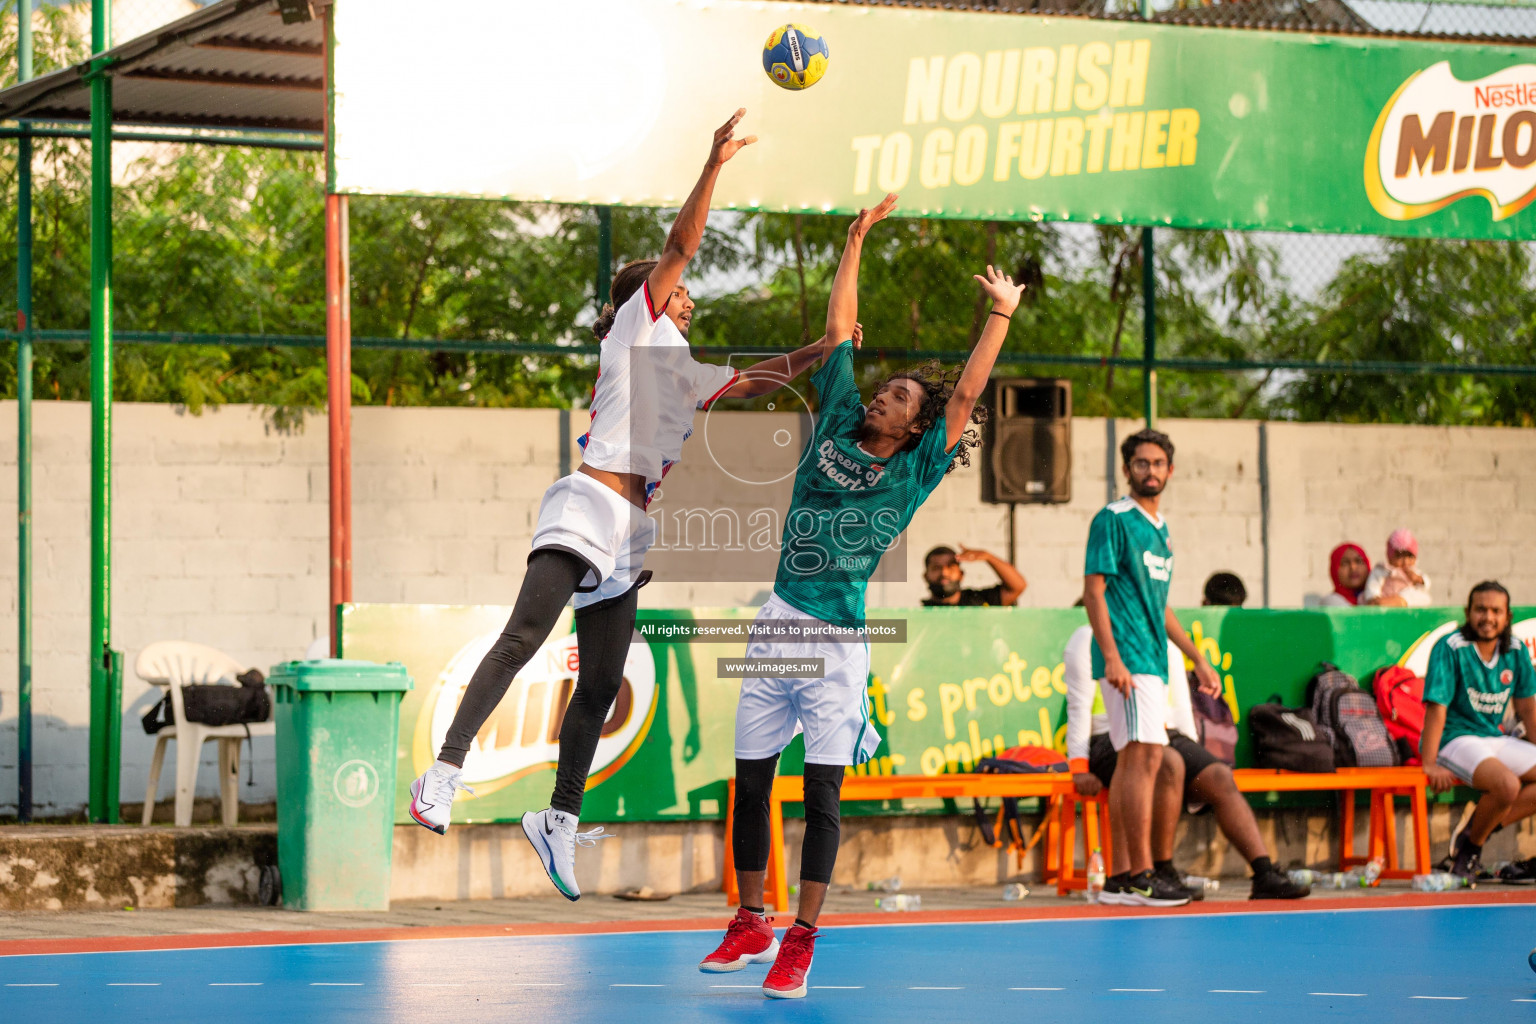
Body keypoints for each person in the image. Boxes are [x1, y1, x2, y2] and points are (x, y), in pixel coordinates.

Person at [405, 111, 836, 902]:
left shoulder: (681, 366)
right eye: (682, 292)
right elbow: (681, 247)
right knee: (522, 638)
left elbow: (753, 380)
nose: (692, 299)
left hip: (632, 532)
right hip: (587, 502)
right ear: (649, 297)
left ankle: (559, 818)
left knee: (600, 682)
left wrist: (819, 352)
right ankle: (443, 771)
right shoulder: (634, 333)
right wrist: (713, 167)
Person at [702, 192, 1025, 999]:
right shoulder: (841, 416)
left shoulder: (916, 467)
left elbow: (962, 397)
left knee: (820, 793)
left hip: (837, 642)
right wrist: (854, 240)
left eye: (900, 399)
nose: (884, 395)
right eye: (886, 390)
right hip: (776, 621)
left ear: (916, 428)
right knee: (748, 780)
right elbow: (842, 323)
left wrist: (1001, 318)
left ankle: (804, 937)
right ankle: (751, 916)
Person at [1064, 602, 1308, 902]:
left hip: (1165, 734)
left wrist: (1197, 767)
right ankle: (1154, 872)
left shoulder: (1165, 644)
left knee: (1217, 775)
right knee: (1169, 762)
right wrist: (1078, 766)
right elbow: (1078, 709)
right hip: (1107, 737)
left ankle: (1264, 873)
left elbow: (1180, 711)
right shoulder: (1087, 638)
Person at [1080, 428, 1223, 906]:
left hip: (1154, 661)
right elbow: (1094, 591)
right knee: (1143, 761)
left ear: (1170, 470)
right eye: (1141, 463)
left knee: (1137, 761)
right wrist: (1113, 657)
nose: (1151, 471)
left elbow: (1160, 608)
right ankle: (1140, 874)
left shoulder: (1161, 531)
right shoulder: (1113, 519)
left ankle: (1123, 877)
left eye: (1159, 463)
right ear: (1127, 469)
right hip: (1129, 660)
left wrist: (1197, 657)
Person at [1420, 581, 1536, 880]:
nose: (1488, 617)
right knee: (1507, 785)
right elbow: (1437, 710)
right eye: (1480, 609)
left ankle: (1476, 829)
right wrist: (1429, 763)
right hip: (1455, 738)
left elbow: (1527, 710)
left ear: (1508, 616)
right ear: (1467, 612)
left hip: (1494, 737)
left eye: (1496, 611)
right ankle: (1470, 852)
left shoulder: (1515, 649)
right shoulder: (1450, 646)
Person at [921, 544, 1026, 606]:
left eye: (951, 567)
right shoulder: (920, 616)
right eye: (936, 568)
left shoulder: (980, 601)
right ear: (926, 576)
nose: (944, 573)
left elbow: (1017, 586)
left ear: (961, 574)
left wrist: (987, 556)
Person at [1362, 529, 1431, 607]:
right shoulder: (1383, 570)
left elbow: (1426, 584)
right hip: (1384, 601)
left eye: (1410, 557)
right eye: (1399, 557)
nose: (1405, 561)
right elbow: (1373, 584)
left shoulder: (1414, 572)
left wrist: (1418, 579)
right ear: (1390, 558)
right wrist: (1373, 597)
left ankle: (1398, 602)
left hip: (1405, 605)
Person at [1320, 543, 1371, 607]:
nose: (1353, 567)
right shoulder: (1331, 602)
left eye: (1358, 561)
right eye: (1345, 563)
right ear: (1334, 570)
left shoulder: (1379, 597)